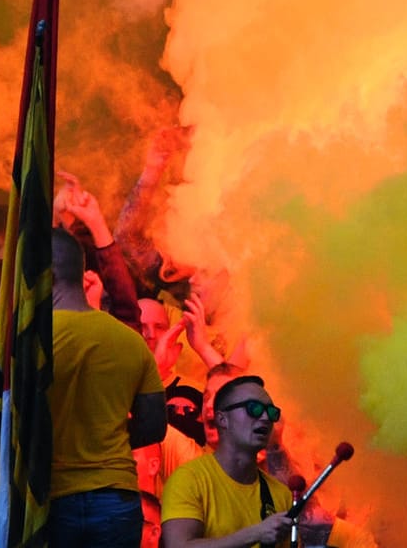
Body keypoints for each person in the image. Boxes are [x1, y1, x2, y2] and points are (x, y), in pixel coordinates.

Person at [48, 228, 167, 548]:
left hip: (52, 496)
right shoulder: (131, 341)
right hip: (117, 496)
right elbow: (155, 425)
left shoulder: (27, 341)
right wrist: (106, 438)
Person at [159, 376, 295, 548]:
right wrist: (255, 533)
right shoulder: (188, 480)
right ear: (222, 419)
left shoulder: (281, 494)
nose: (265, 417)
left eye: (272, 412)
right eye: (254, 408)